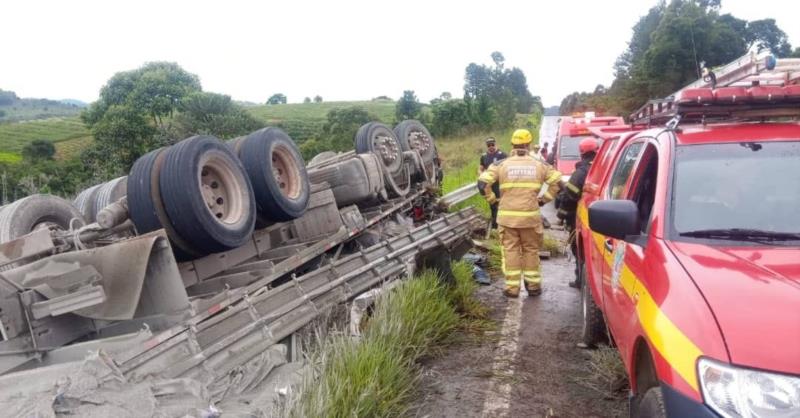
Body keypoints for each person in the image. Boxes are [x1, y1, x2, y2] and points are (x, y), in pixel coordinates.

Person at [477, 129, 561, 298]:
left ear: (512, 144)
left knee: (510, 251)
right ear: (529, 145)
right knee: (531, 250)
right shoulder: (539, 165)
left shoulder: (500, 164)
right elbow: (557, 183)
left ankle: (512, 289)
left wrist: (493, 200)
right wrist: (543, 200)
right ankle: (533, 287)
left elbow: (481, 183)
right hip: (530, 218)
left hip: (507, 219)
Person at [556, 138, 599, 288]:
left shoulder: (580, 173)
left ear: (581, 154)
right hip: (604, 219)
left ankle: (581, 280)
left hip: (581, 219)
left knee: (579, 249)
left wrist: (561, 215)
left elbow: (569, 197)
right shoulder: (604, 168)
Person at [479, 137, 508, 228]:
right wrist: (481, 176)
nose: (491, 147)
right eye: (489, 145)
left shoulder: (502, 155)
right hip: (489, 185)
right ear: (487, 146)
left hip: (499, 184)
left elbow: (507, 168)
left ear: (495, 144)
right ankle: (495, 224)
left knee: (501, 203)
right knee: (492, 203)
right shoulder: (484, 156)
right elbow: (480, 168)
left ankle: (502, 223)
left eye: (492, 144)